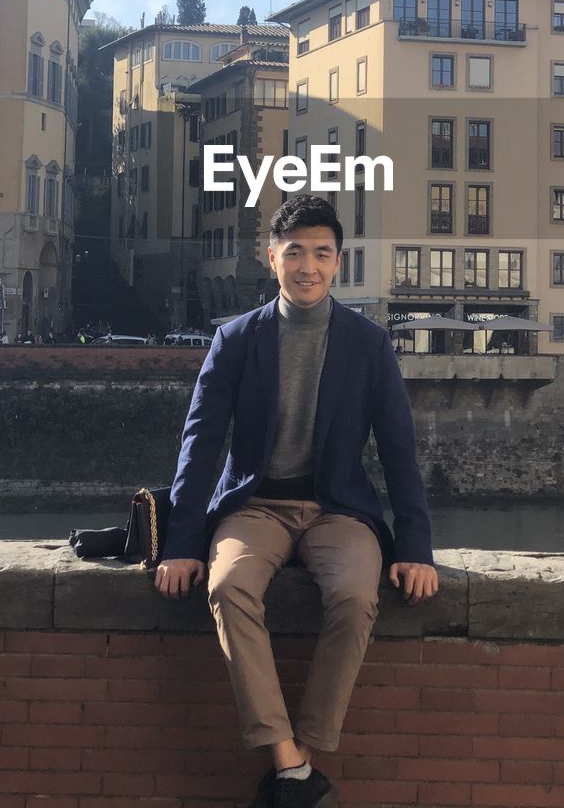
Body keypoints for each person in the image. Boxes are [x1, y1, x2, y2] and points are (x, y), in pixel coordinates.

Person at [156, 194, 438, 808]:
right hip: (255, 506)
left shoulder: (368, 344)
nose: (307, 265)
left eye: (321, 253)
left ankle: (299, 758)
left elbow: (399, 452)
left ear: (338, 262)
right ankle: (292, 764)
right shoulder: (235, 340)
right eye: (294, 252)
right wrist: (181, 546)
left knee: (358, 595)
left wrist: (416, 548)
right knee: (228, 587)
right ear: (271, 257)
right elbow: (199, 448)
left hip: (339, 509)